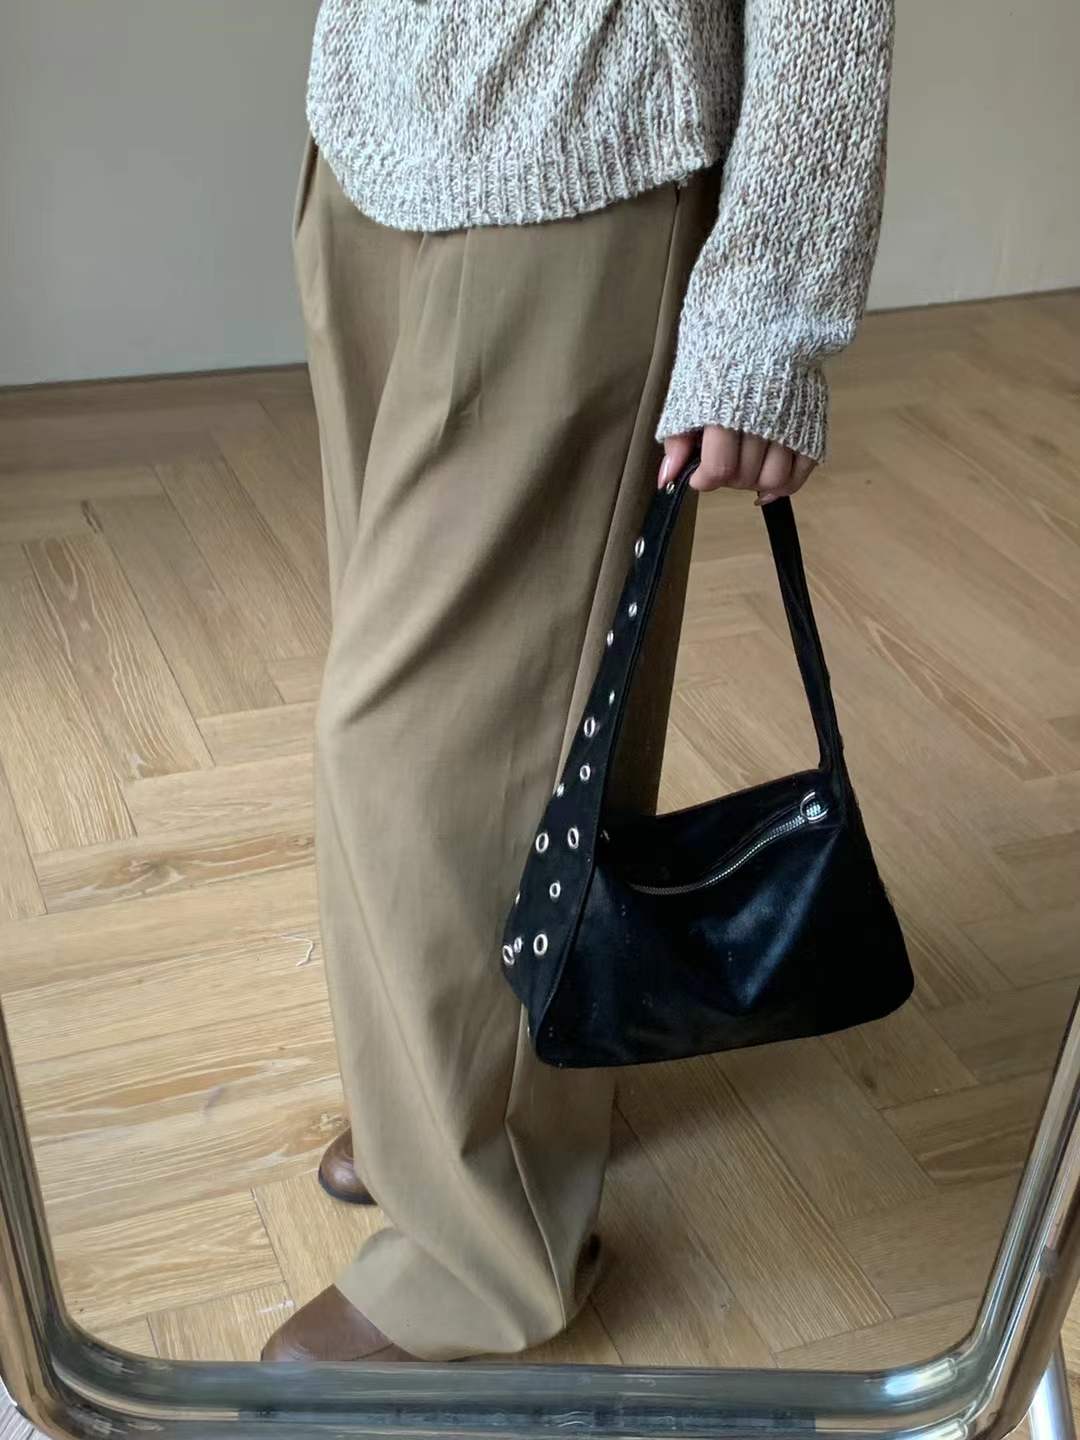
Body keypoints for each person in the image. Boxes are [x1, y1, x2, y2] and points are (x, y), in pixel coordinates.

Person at [261, 0, 895, 1365]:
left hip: (585, 140)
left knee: (423, 738)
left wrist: (774, 300)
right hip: (373, 126)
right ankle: (449, 1104)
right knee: (520, 700)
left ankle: (484, 1253)